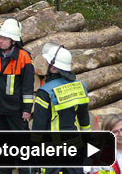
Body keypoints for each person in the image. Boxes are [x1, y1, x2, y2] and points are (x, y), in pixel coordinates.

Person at [32, 43, 90, 174]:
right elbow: (84, 118)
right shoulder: (80, 86)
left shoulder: (45, 92)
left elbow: (38, 126)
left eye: (47, 63)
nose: (45, 65)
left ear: (54, 68)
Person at [0, 18, 34, 174]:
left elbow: (27, 86)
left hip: (16, 111)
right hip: (0, 109)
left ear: (13, 41)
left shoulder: (24, 57)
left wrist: (27, 109)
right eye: (1, 37)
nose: (1, 41)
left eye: (4, 38)